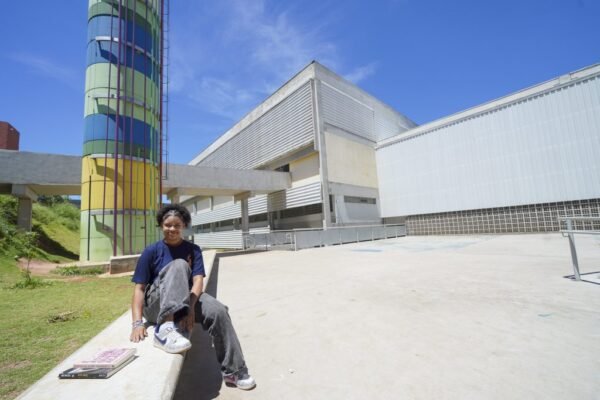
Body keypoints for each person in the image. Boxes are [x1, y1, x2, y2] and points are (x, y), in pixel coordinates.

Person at [129, 203, 256, 390]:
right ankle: (164, 332)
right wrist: (137, 323)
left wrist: (189, 308)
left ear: (184, 226)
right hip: (157, 306)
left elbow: (197, 281)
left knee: (218, 311)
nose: (172, 229)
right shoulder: (151, 251)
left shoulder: (193, 250)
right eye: (168, 225)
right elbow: (139, 289)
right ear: (161, 225)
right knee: (179, 264)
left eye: (177, 225)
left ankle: (234, 371)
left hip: (185, 300)